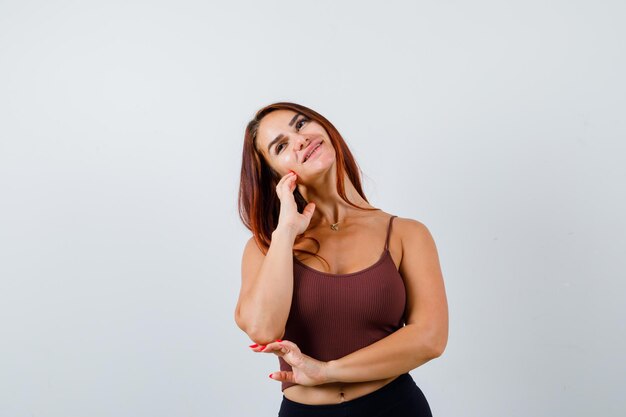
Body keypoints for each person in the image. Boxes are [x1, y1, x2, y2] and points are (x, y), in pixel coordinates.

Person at [235, 102, 448, 416]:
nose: (300, 139)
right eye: (281, 146)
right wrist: (286, 232)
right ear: (274, 177)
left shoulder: (406, 234)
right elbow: (263, 329)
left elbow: (430, 338)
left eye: (301, 124)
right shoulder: (266, 247)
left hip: (396, 407)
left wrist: (326, 371)